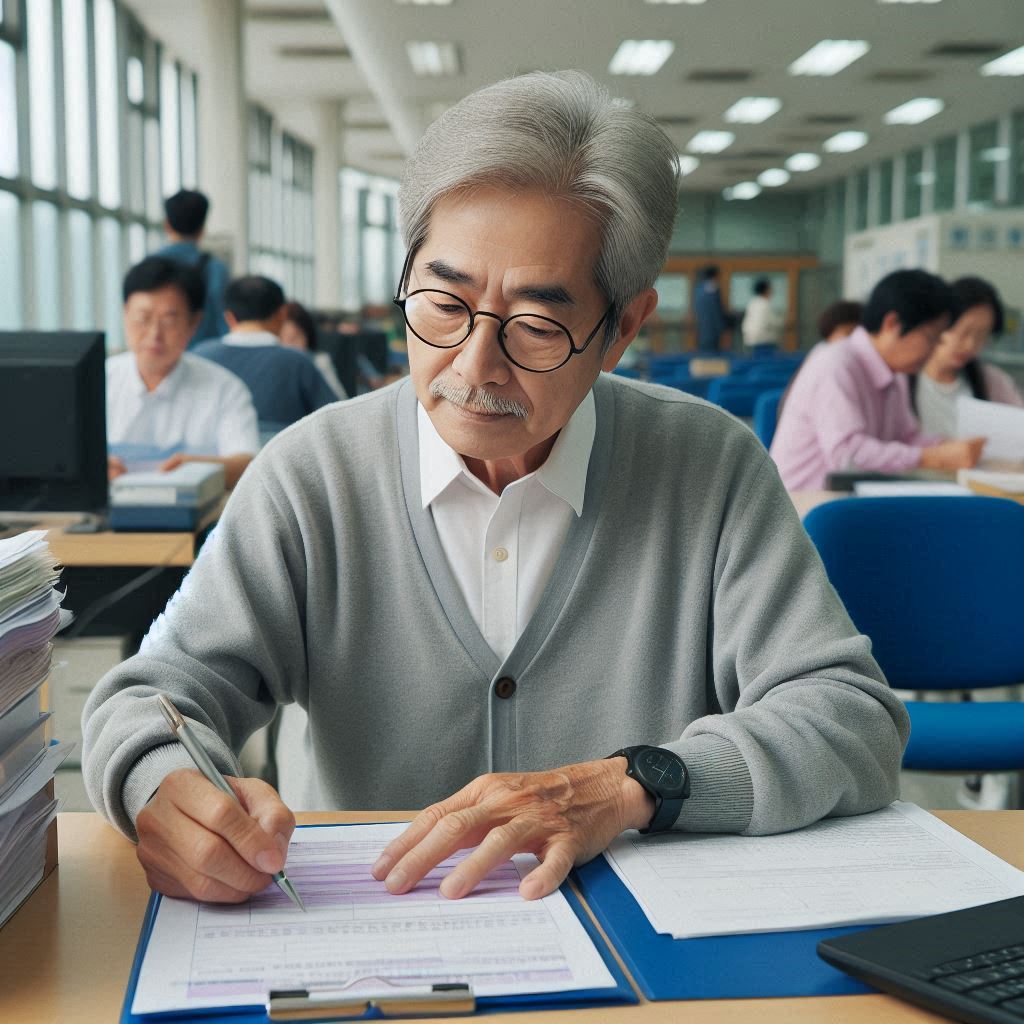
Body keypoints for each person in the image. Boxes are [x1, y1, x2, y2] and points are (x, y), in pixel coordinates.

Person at [83, 71, 907, 909]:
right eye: (443, 302)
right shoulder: (312, 473)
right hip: (367, 934)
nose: (473, 368)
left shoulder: (708, 467)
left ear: (622, 328)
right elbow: (151, 695)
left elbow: (849, 716)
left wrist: (635, 785)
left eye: (538, 325)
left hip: (639, 955)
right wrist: (161, 786)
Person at [770, 269, 985, 491]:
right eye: (930, 338)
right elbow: (847, 456)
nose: (931, 352)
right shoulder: (835, 365)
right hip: (802, 509)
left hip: (850, 499)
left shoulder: (896, 373)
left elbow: (905, 439)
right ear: (892, 324)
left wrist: (947, 447)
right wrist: (930, 457)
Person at [105, 257, 259, 489]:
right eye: (143, 319)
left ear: (194, 323)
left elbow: (248, 464)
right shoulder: (97, 381)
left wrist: (199, 471)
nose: (154, 334)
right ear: (125, 314)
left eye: (169, 321)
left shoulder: (225, 388)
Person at [193, 277, 339, 438]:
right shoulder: (299, 362)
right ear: (282, 314)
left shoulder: (199, 356)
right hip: (282, 459)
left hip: (214, 460)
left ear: (229, 317)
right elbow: (335, 421)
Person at [911, 277, 1022, 438]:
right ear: (941, 324)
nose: (970, 345)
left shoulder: (992, 381)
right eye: (964, 332)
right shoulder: (906, 379)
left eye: (981, 335)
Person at [155, 190, 230, 346]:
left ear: (167, 224)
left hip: (162, 354)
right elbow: (224, 321)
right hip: (206, 357)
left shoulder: (147, 267)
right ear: (203, 228)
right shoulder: (215, 268)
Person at [280, 301, 349, 399]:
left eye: (294, 338)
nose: (288, 346)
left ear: (308, 336)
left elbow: (339, 402)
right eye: (281, 339)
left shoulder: (319, 362)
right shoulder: (272, 366)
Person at [741, 278, 783, 357]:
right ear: (766, 290)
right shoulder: (765, 304)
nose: (772, 291)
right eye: (770, 288)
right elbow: (773, 322)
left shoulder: (752, 303)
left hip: (750, 340)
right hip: (764, 342)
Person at [693, 264, 727, 352]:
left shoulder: (698, 290)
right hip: (713, 332)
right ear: (715, 276)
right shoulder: (714, 290)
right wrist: (722, 328)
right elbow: (717, 314)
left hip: (701, 330)